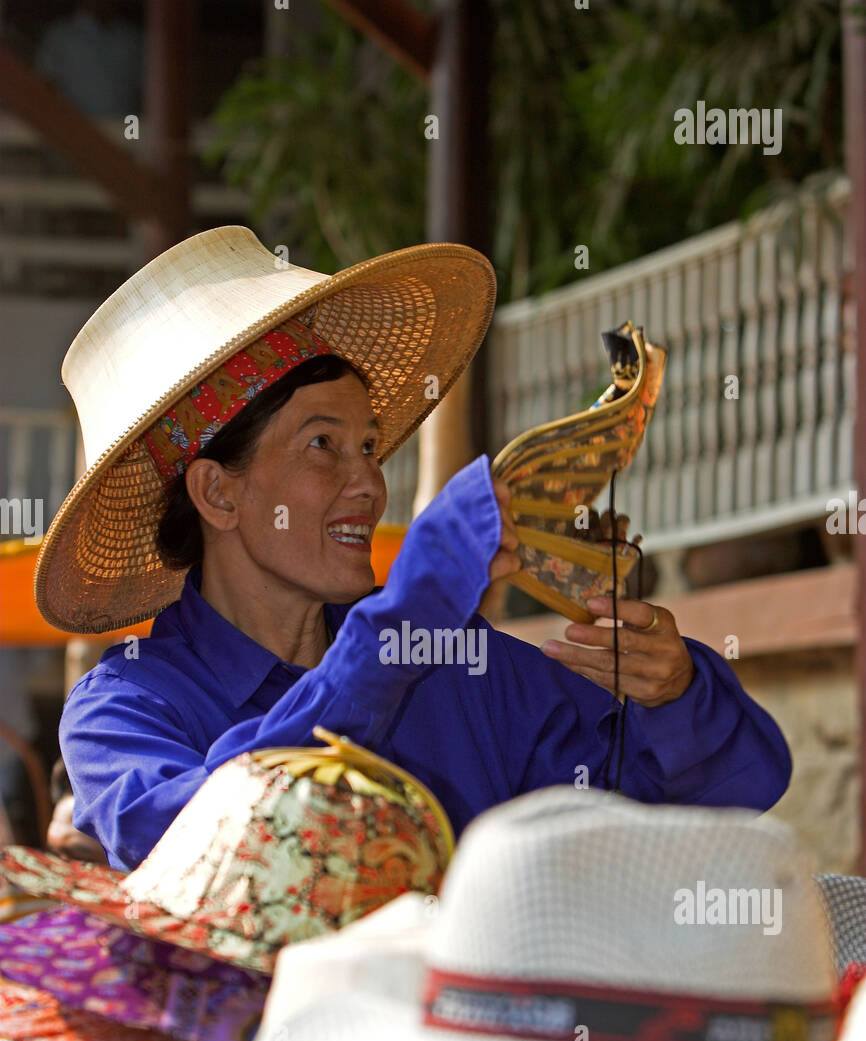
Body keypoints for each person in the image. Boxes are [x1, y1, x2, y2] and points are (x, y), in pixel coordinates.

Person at [41, 227, 791, 871]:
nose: (370, 483)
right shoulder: (124, 708)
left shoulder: (457, 663)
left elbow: (694, 810)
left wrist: (676, 696)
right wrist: (401, 622)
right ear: (218, 494)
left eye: (369, 447)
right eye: (323, 445)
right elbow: (207, 845)